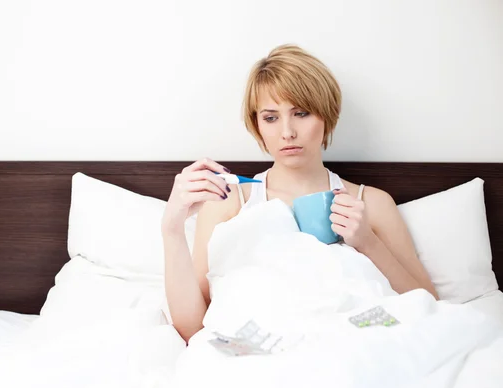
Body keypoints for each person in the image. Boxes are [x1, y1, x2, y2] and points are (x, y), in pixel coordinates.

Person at [161, 44, 438, 344]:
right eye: (271, 118)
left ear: (326, 116)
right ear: (257, 125)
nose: (287, 132)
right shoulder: (230, 203)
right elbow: (193, 328)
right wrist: (171, 229)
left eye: (301, 113)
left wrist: (368, 243)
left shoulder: (371, 203)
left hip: (354, 347)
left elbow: (429, 305)